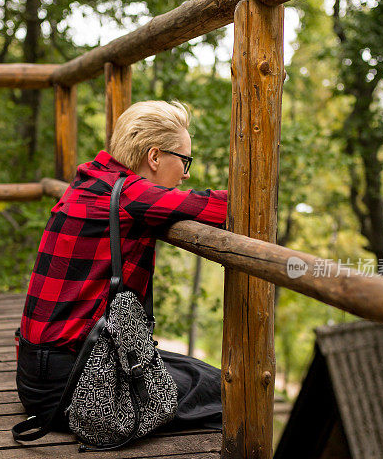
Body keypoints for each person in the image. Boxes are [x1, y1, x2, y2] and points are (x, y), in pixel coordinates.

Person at [16, 100, 228, 434]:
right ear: (155, 157)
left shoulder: (92, 181)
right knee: (228, 394)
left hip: (36, 376)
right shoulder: (131, 194)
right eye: (184, 160)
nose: (187, 174)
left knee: (199, 372)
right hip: (73, 387)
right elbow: (224, 208)